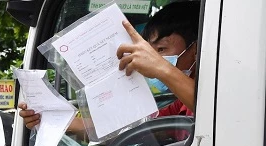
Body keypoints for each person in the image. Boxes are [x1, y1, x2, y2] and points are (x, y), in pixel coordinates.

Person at [19, 2, 199, 133]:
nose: (151, 59)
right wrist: (53, 119)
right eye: (150, 51)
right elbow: (131, 127)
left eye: (161, 49)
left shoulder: (211, 98)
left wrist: (162, 68)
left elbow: (216, 109)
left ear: (196, 48)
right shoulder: (180, 106)